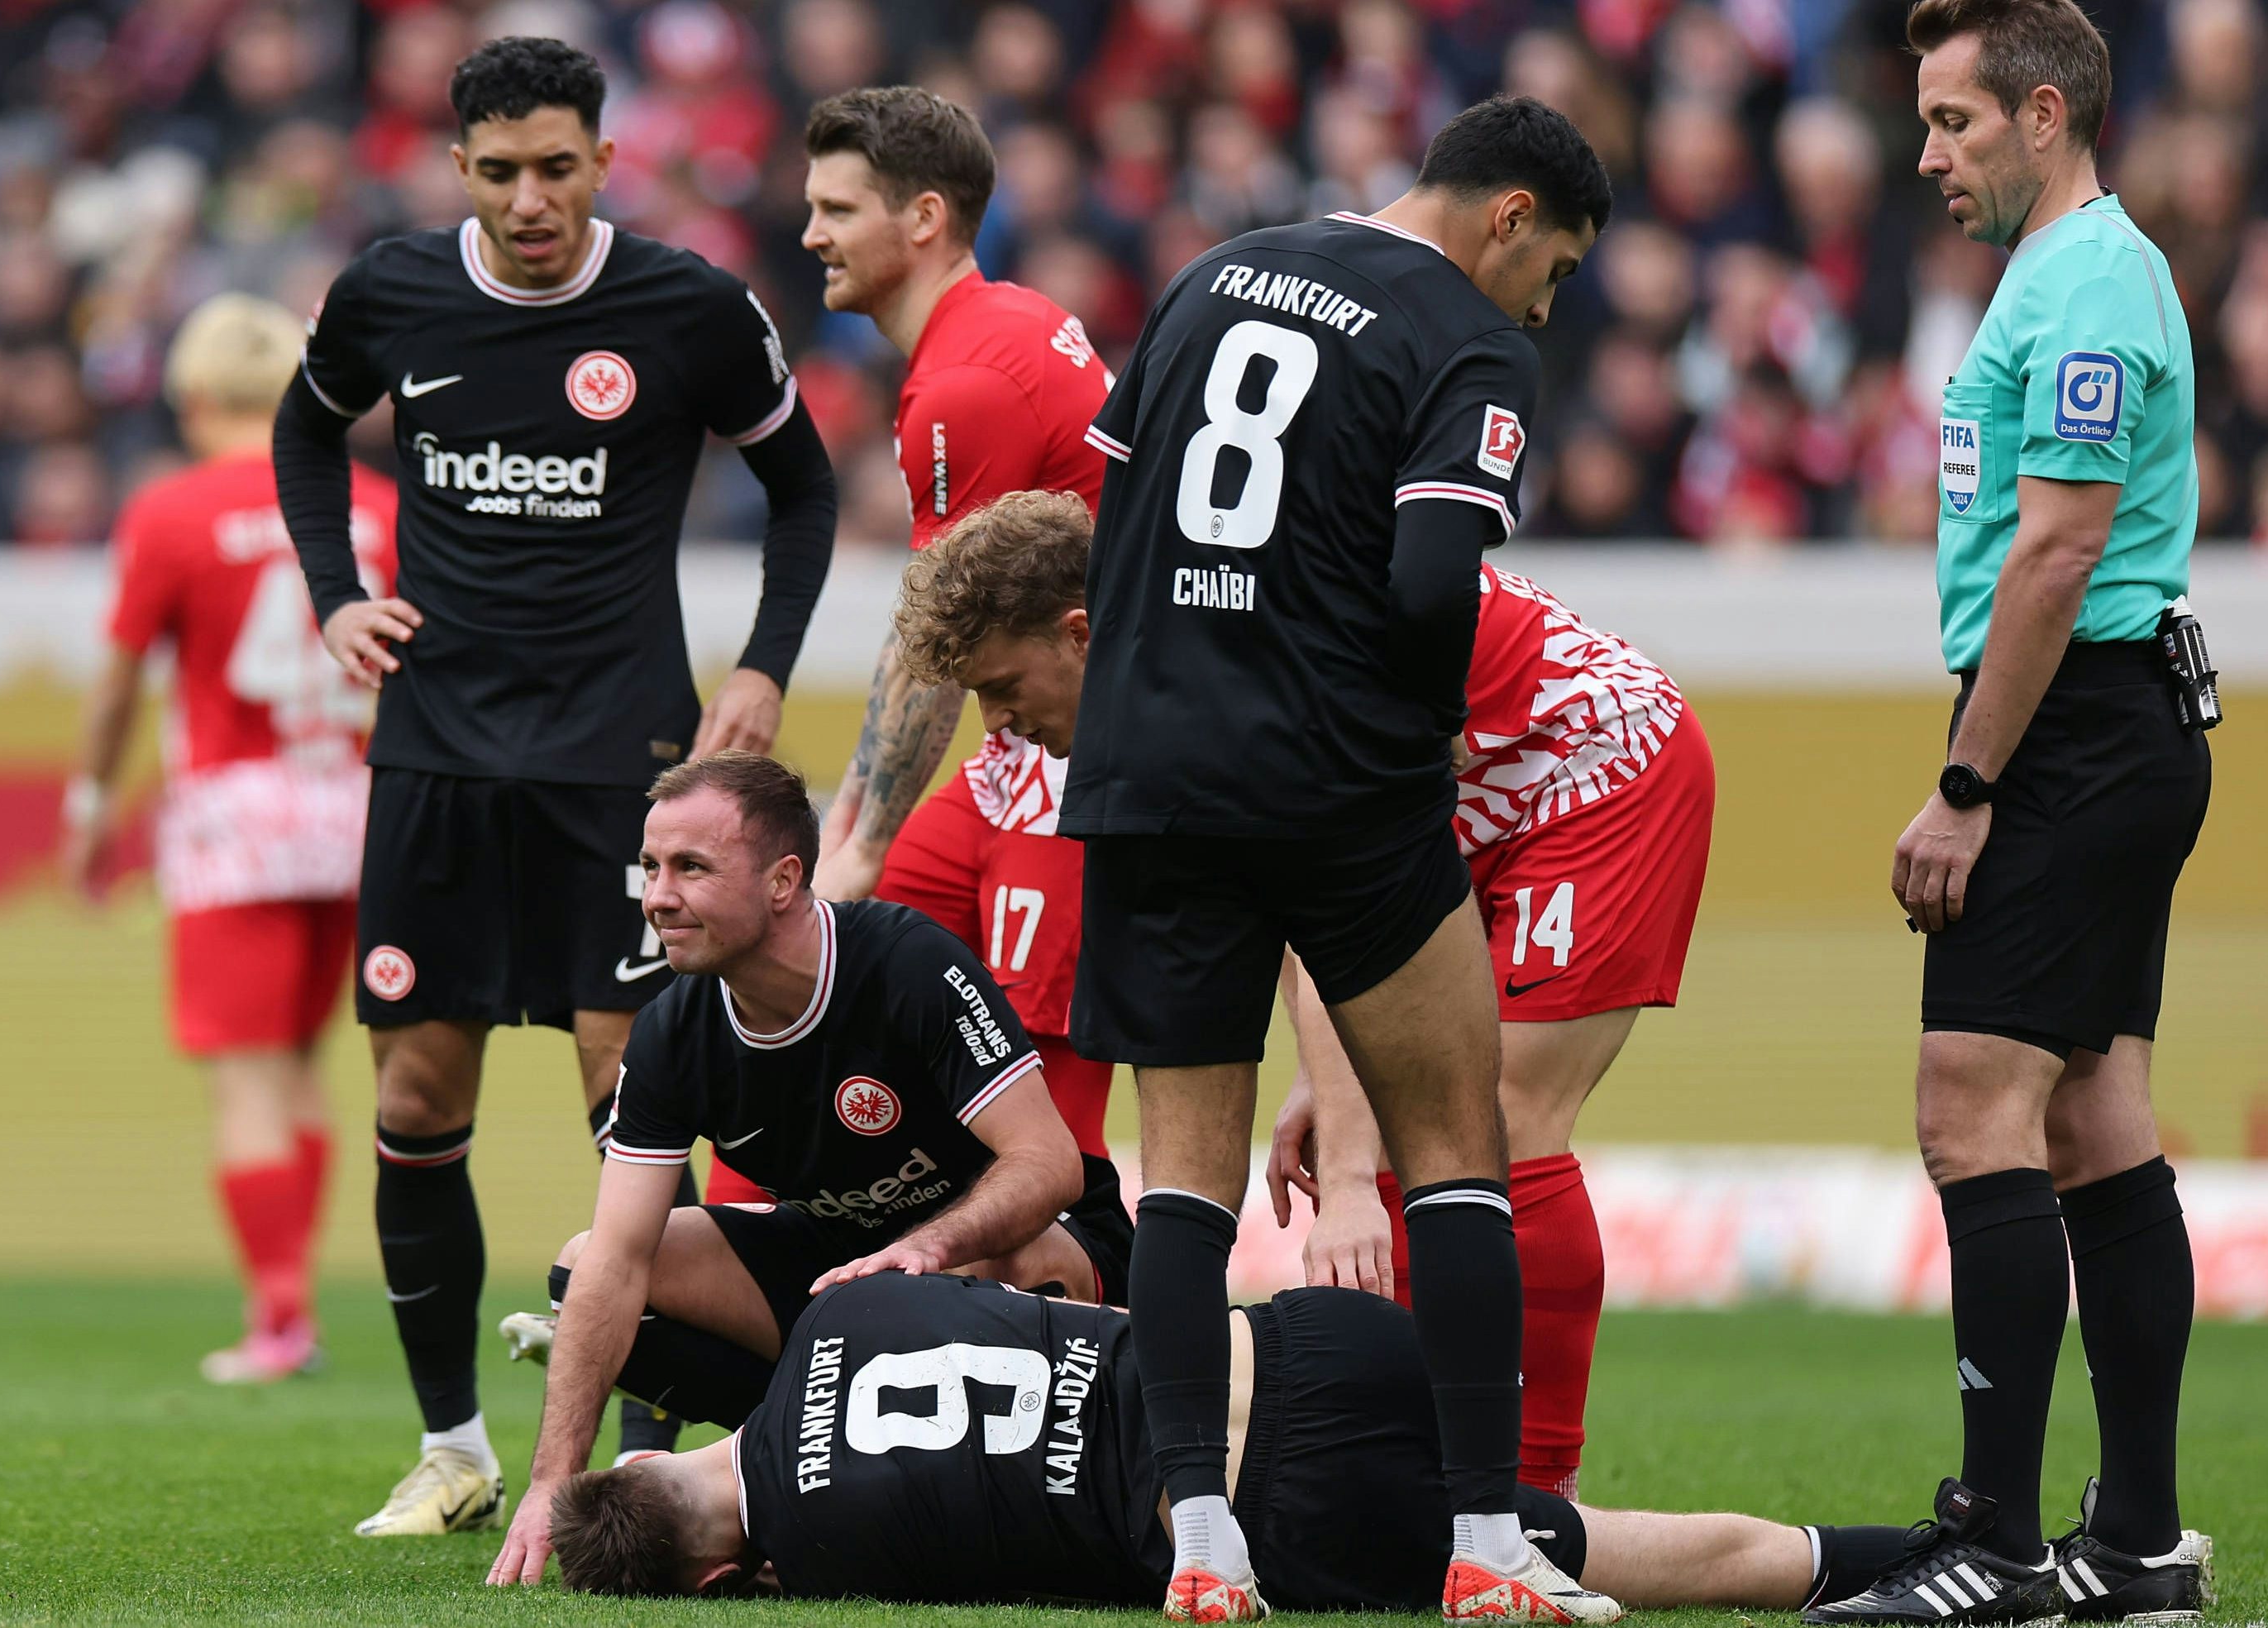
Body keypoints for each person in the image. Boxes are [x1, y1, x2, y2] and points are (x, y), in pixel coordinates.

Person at [271, 36, 840, 1536]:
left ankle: (643, 1434)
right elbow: (304, 427)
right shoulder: (391, 289)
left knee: (632, 1095)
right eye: (503, 171)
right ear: (462, 168)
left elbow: (803, 481)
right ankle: (453, 1444)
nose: (533, 198)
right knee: (414, 1088)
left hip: (621, 764)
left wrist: (766, 665)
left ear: (603, 161)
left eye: (559, 168)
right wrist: (337, 591)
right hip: (440, 756)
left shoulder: (688, 308)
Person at [1065, 95, 1610, 1621]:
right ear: (1507, 216)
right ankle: (1489, 1544)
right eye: (1553, 267)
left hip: (1152, 771)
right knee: (1457, 1145)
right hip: (1336, 784)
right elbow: (1438, 566)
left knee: (1183, 1179)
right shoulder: (1470, 337)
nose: (1546, 304)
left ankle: (1198, 1536)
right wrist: (1423, 728)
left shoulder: (1211, 272)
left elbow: (1111, 507)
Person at [1813, 3, 2217, 1622]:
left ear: (2044, 115)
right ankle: (2131, 1541)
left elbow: (2056, 554)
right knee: (2086, 1124)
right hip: (2100, 723)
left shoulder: (2091, 282)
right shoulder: (2058, 278)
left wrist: (1969, 785)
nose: (1926, 155)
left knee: (1964, 1109)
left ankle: (1992, 1540)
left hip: (2071, 732)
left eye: (1954, 122)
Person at [485, 749, 1131, 1585]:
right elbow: (618, 1257)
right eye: (649, 867)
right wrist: (550, 1483)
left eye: (690, 868)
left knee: (1013, 1256)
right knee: (586, 1271)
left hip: (1027, 1254)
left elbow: (1048, 1163)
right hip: (854, 1281)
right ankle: (795, 1477)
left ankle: (951, 1492)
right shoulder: (671, 1034)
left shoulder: (903, 962)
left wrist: (927, 1254)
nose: (656, 897)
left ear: (784, 879)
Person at [542, 1270, 1926, 1618]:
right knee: (1536, 1498)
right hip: (1309, 1338)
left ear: (719, 1578)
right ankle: (1996, 1548)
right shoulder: (852, 1310)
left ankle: (1944, 1565)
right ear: (676, 1448)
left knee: (1618, 1541)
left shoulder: (824, 1554)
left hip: (1290, 1501)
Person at [1266, 561, 1712, 1501]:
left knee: (1493, 1115)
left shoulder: (1252, 641)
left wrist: (1345, 1184)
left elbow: (1327, 875)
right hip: (1455, 790)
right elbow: (1299, 888)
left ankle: (1540, 1494)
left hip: (1595, 761)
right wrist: (1325, 1068)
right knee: (1403, 1118)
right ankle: (1431, 1478)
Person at [63, 293, 397, 1384]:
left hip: (235, 821)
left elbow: (119, 681)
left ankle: (279, 1311)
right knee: (304, 1067)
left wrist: (87, 804)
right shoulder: (382, 507)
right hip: (361, 807)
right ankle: (295, 1297)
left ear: (193, 397)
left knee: (248, 1079)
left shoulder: (169, 512)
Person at [790, 84, 1118, 1169]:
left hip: (1082, 763)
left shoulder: (969, 379)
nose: (811, 234)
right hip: (1025, 760)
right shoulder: (1007, 327)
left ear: (922, 218)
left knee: (1043, 1122)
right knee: (818, 981)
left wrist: (859, 846)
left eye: (838, 208)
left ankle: (1072, 1326)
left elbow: (942, 637)